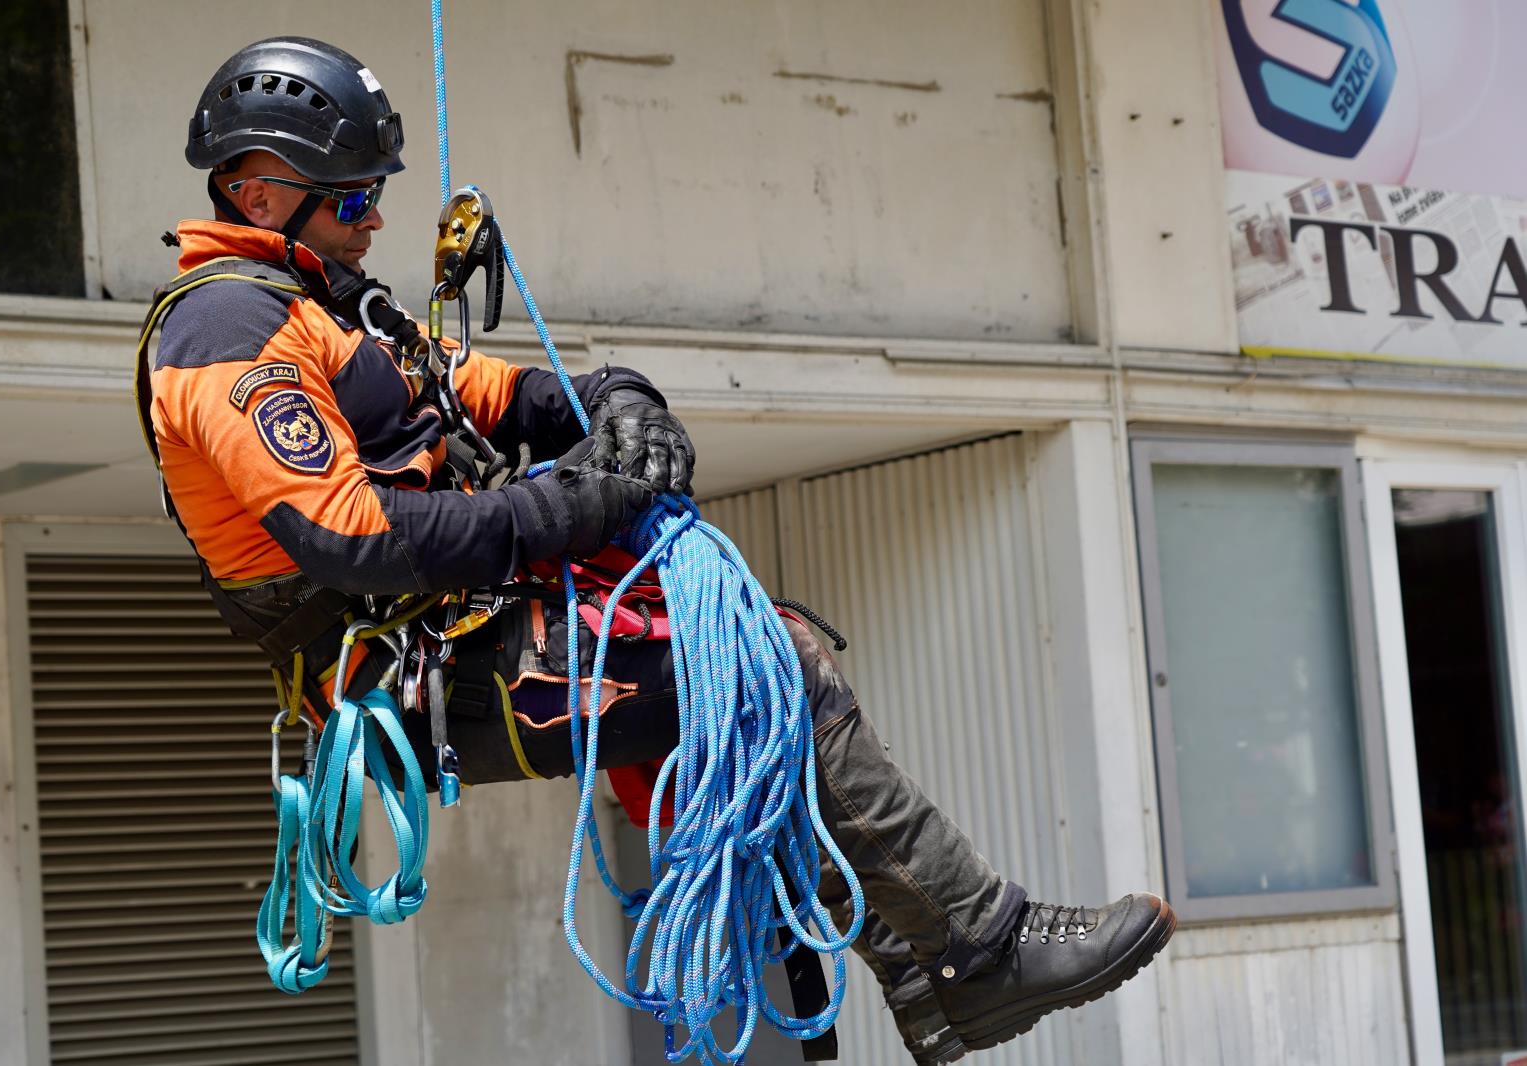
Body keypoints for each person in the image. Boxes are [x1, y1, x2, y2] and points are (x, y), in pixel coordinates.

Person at [143, 36, 1175, 1065]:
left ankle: (921, 976)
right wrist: (576, 508)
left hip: (464, 638)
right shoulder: (226, 327)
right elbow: (350, 536)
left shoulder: (330, 310)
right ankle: (980, 953)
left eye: (376, 197)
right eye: (354, 199)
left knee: (774, 645)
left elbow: (509, 397)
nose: (374, 223)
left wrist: (619, 397)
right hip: (415, 677)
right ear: (262, 192)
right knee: (770, 668)